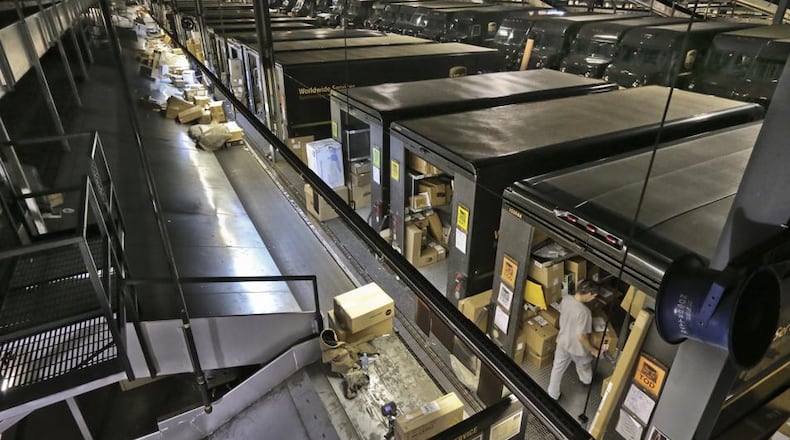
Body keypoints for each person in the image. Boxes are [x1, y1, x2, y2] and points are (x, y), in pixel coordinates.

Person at [547, 280, 600, 400]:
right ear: (588, 294)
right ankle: (585, 381)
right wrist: (593, 350)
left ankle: (552, 393)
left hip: (562, 341)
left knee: (557, 368)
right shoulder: (585, 312)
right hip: (577, 348)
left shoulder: (566, 299)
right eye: (593, 296)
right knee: (584, 366)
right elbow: (581, 336)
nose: (592, 299)